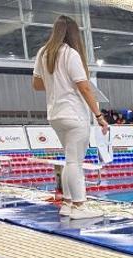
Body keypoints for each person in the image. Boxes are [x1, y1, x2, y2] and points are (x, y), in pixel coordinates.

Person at [32, 15, 108, 220]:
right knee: (75, 161)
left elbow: (37, 85)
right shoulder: (70, 54)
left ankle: (67, 203)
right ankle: (79, 206)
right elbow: (84, 87)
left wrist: (56, 80)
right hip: (74, 114)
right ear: (73, 33)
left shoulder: (43, 53)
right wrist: (99, 115)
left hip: (55, 114)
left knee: (69, 160)